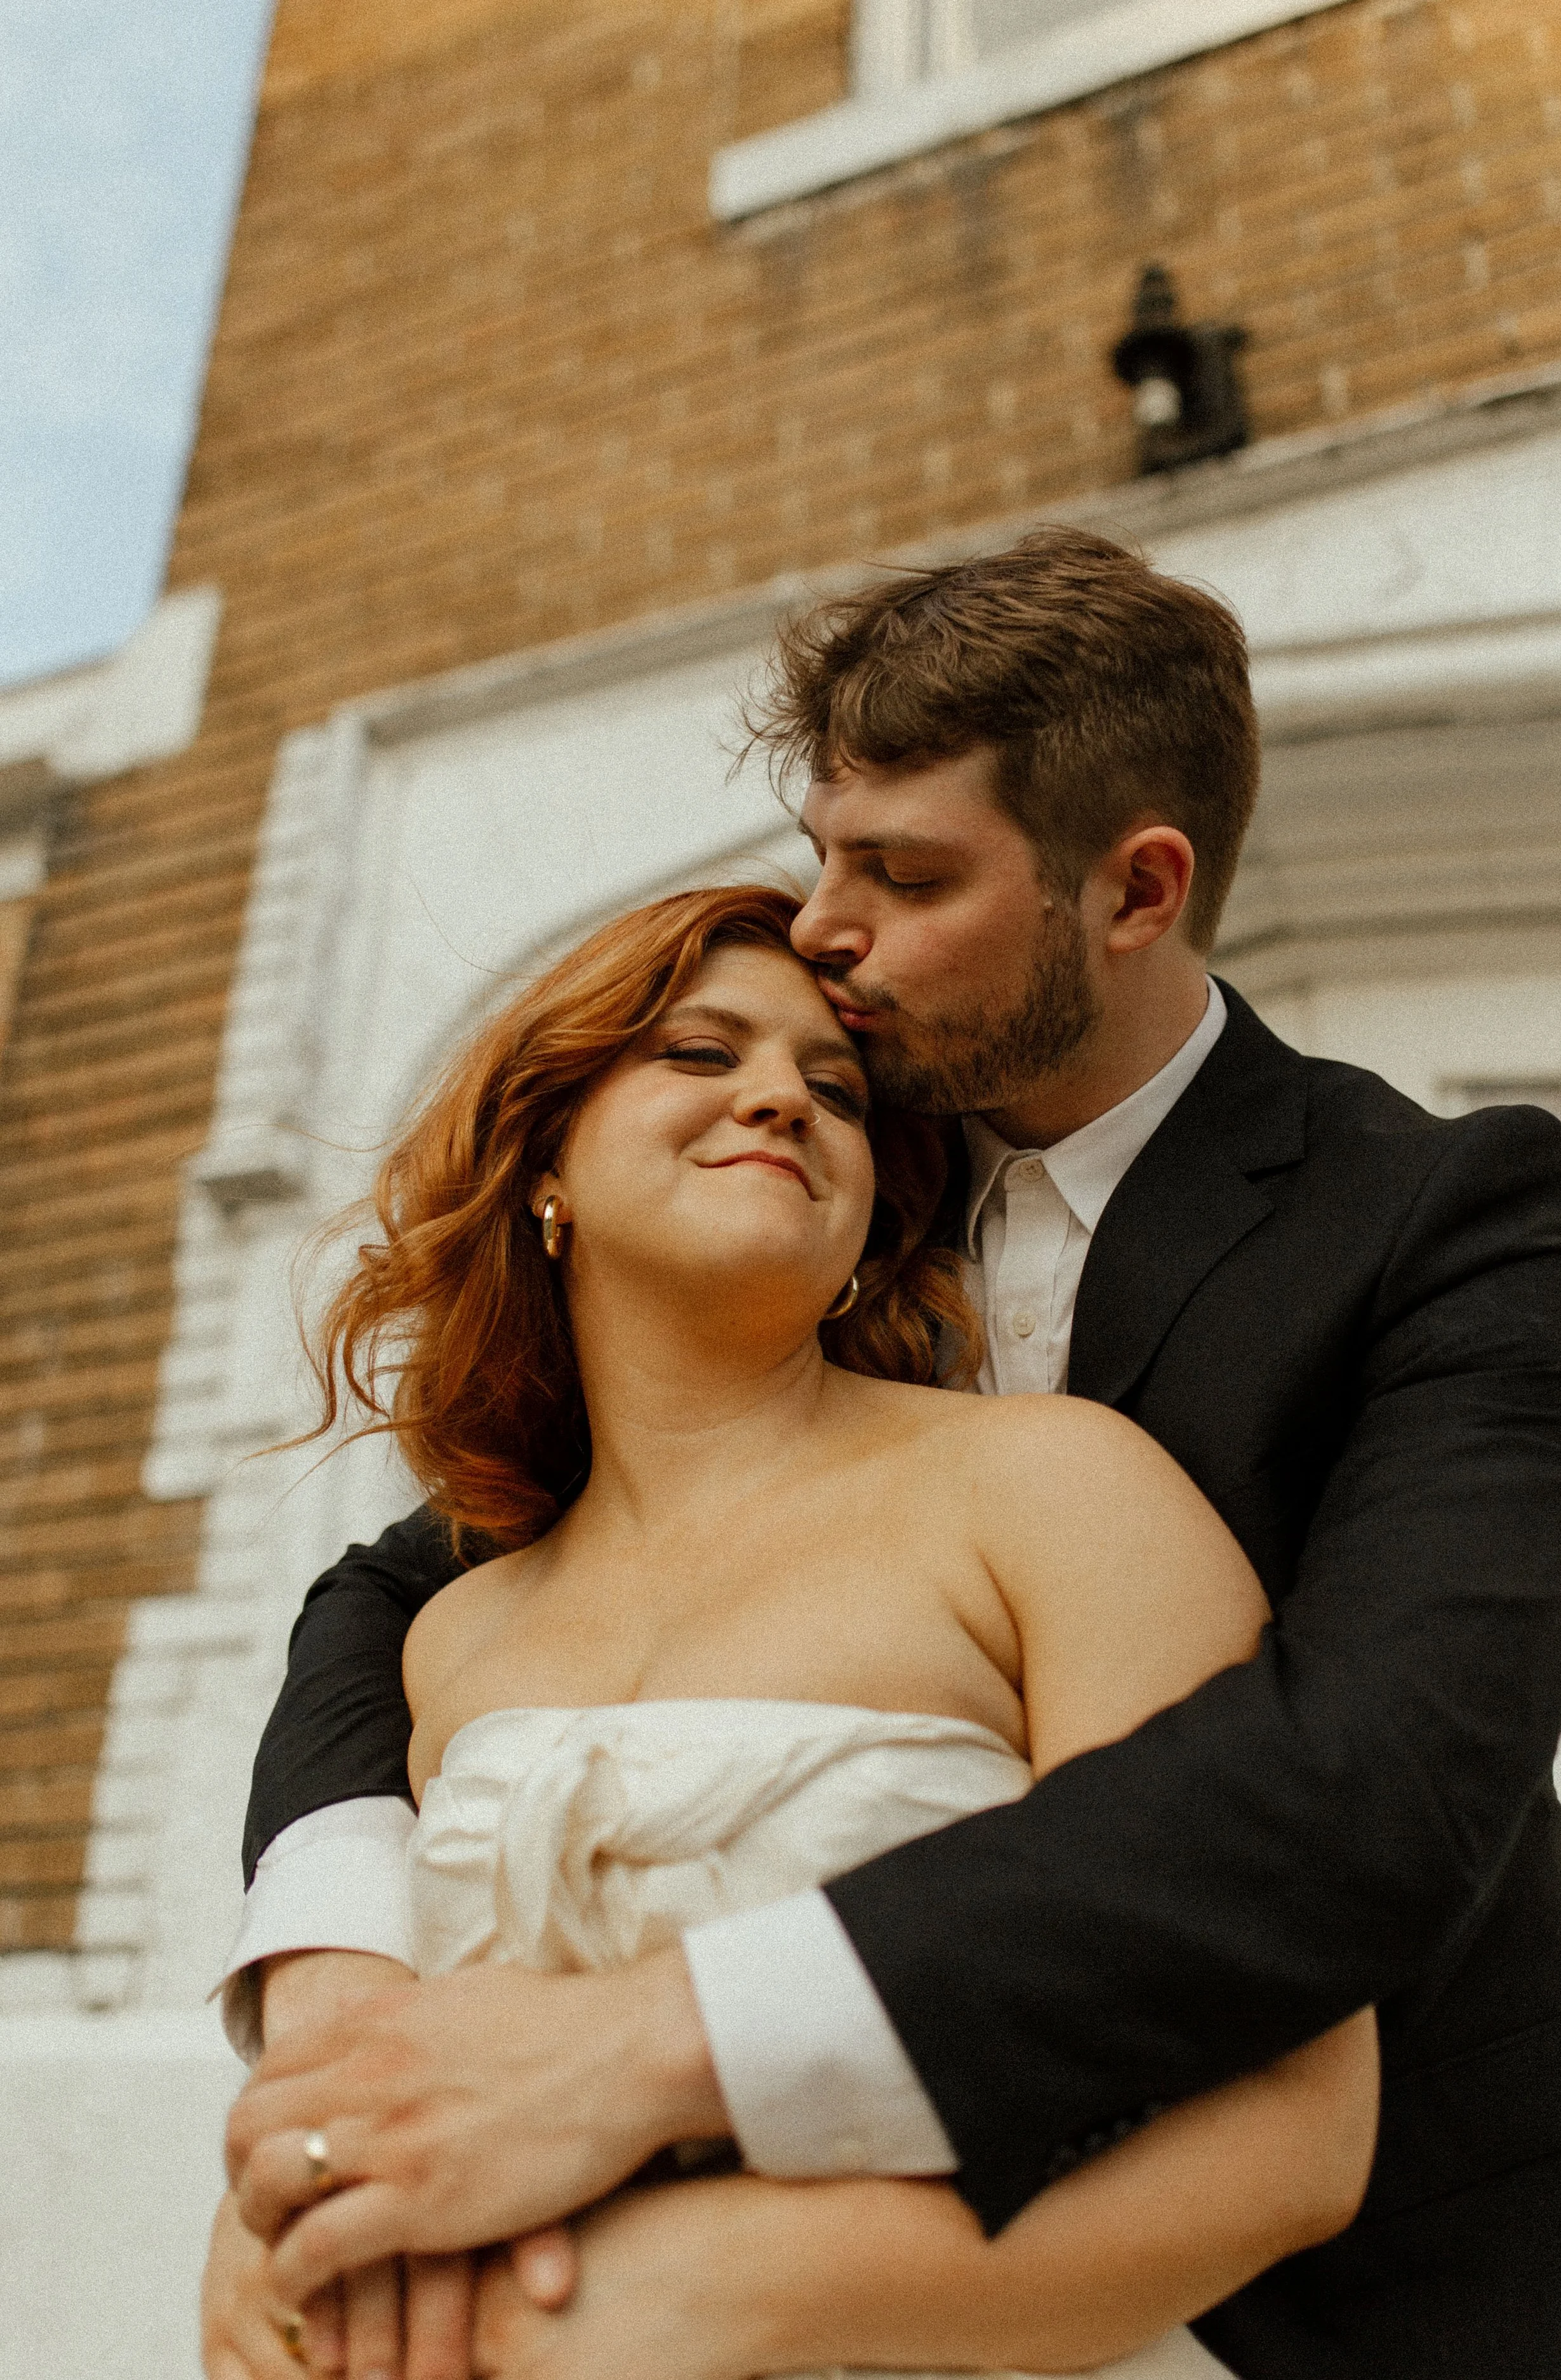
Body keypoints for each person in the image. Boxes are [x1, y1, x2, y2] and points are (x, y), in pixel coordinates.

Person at [214, 529, 1561, 2379]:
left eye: (905, 874)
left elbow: (1371, 1784)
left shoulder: (1450, 1213)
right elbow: (412, 1587)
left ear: (1133, 888)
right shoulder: (818, 1213)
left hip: (1371, 2288)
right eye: (823, 855)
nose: (823, 930)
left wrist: (635, 2053)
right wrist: (343, 2046)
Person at [218, 880, 1378, 2380]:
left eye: (833, 1087)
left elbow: (1290, 2135)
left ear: (871, 1218)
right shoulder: (446, 1640)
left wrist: (689, 2298)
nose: (779, 1095)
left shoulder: (1049, 1488)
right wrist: (288, 2218)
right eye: (699, 1055)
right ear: (543, 1164)